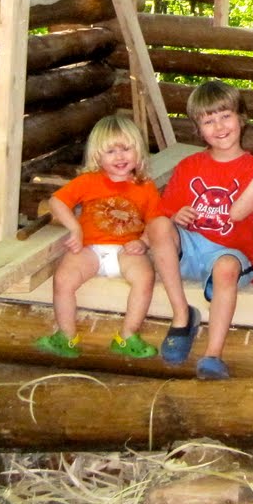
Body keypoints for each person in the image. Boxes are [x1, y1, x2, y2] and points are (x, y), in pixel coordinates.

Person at [146, 80, 253, 379]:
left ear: (241, 118)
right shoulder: (189, 165)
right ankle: (181, 316)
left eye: (225, 116)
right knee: (159, 225)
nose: (219, 126)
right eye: (208, 120)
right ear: (199, 129)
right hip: (190, 252)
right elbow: (164, 211)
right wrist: (178, 215)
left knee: (226, 267)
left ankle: (212, 354)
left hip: (230, 253)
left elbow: (238, 213)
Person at [34, 113, 161, 360]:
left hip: (126, 250)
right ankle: (66, 336)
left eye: (126, 149)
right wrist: (75, 228)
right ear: (97, 156)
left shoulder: (146, 187)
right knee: (63, 279)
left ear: (138, 152)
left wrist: (143, 242)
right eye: (110, 151)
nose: (120, 156)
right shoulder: (88, 181)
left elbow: (156, 221)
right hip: (90, 249)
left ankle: (126, 336)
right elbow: (56, 202)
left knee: (145, 277)